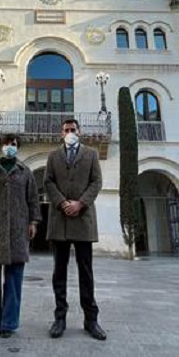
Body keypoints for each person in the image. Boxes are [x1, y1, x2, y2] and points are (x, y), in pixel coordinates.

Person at [0, 134, 41, 338]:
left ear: (17, 148)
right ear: (1, 146)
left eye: (13, 144)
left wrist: (33, 221)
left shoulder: (25, 171)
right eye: (6, 144)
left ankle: (9, 323)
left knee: (14, 279)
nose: (10, 147)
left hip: (18, 230)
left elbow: (32, 198)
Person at [44, 119, 106, 341]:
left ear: (79, 132)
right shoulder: (53, 156)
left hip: (83, 219)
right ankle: (59, 318)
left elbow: (96, 182)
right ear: (61, 133)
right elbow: (48, 182)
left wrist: (80, 203)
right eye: (66, 130)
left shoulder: (91, 154)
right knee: (59, 272)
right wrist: (62, 203)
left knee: (86, 271)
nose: (70, 133)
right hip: (59, 220)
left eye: (73, 130)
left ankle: (91, 320)